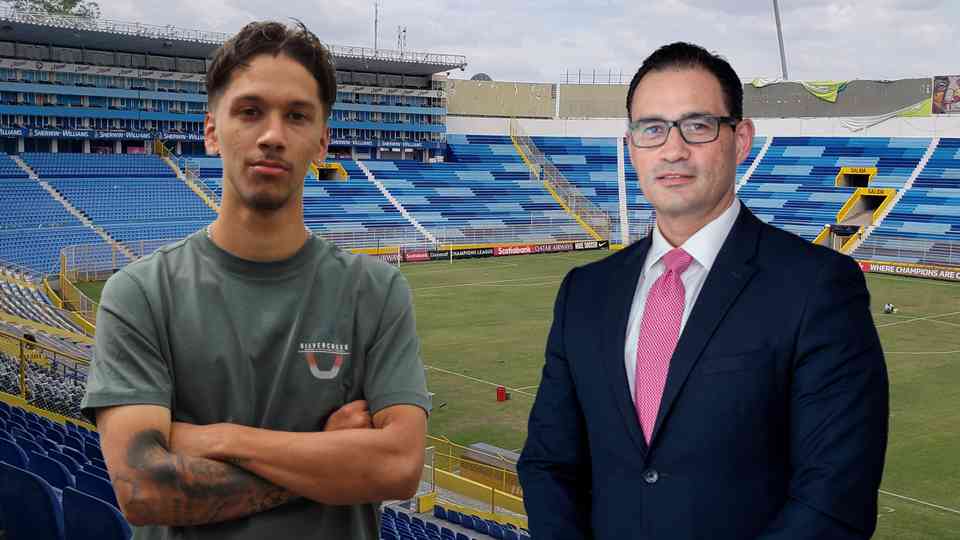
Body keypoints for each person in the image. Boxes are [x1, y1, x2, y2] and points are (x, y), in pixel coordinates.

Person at [518, 42, 888, 540]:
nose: (672, 149)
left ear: (740, 141)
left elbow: (835, 498)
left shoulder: (817, 288)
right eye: (652, 128)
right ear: (631, 147)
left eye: (697, 126)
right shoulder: (584, 293)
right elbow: (547, 465)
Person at [81, 21, 430, 540]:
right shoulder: (140, 293)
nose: (272, 135)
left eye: (296, 116)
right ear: (212, 131)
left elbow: (399, 467)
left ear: (320, 141)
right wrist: (326, 456)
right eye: (249, 112)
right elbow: (144, 489)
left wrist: (217, 438)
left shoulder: (375, 291)